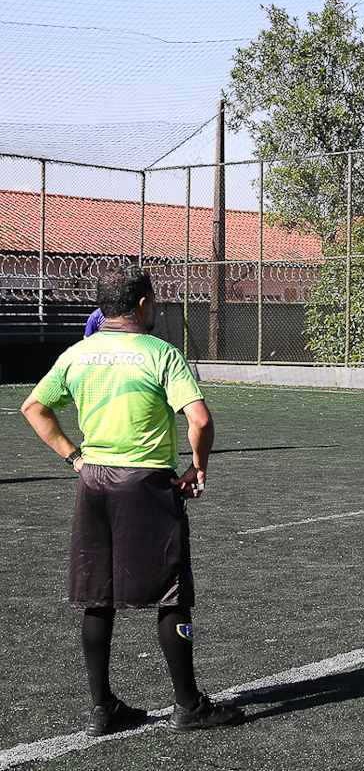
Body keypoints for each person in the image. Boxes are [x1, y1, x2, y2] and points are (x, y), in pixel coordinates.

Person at [20, 264, 244, 735]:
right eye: (154, 300)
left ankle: (102, 709)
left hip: (94, 480)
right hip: (144, 482)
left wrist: (74, 458)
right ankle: (189, 705)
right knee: (171, 591)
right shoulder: (161, 353)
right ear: (143, 304)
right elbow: (199, 421)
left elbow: (34, 408)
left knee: (96, 597)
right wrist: (198, 467)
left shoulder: (77, 354)